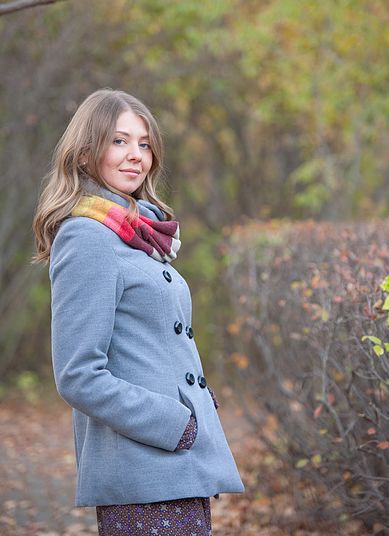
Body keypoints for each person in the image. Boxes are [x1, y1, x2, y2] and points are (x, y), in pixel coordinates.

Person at [31, 88, 245, 535]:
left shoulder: (135, 235)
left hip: (176, 468)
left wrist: (195, 408)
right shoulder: (87, 238)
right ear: (87, 153)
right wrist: (175, 423)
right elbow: (78, 374)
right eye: (119, 141)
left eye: (144, 143)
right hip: (144, 470)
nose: (136, 156)